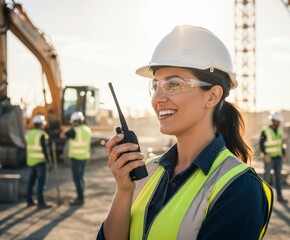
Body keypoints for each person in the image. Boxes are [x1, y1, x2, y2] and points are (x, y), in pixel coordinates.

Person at [97, 25, 273, 240]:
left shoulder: (240, 189)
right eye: (155, 86)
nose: (157, 98)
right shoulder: (149, 171)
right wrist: (124, 191)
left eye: (173, 85)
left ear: (212, 96)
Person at [60, 111, 91, 205]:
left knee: (77, 179)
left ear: (73, 121)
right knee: (81, 177)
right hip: (85, 157)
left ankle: (80, 199)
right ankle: (81, 195)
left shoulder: (74, 131)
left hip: (76, 158)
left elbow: (62, 135)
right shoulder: (87, 129)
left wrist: (71, 127)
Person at [259, 111, 287, 203]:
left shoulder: (279, 130)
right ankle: (263, 197)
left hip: (278, 158)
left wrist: (284, 154)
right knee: (266, 178)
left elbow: (280, 143)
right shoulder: (265, 130)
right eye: (276, 121)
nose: (278, 123)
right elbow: (261, 144)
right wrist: (265, 154)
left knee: (278, 178)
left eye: (279, 121)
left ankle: (279, 196)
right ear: (273, 121)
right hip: (269, 158)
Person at [26, 114, 53, 209]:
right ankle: (41, 202)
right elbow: (45, 150)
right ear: (41, 124)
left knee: (31, 181)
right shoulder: (41, 134)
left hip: (31, 161)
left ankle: (29, 200)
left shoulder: (29, 134)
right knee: (41, 183)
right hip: (40, 161)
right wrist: (49, 161)